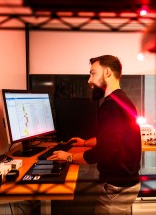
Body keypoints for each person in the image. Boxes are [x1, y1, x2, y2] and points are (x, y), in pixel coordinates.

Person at [47, 55, 142, 215]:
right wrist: (85, 143)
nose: (89, 80)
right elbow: (112, 138)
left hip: (116, 188)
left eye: (93, 73)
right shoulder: (120, 100)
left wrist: (67, 156)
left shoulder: (113, 106)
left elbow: (104, 152)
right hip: (124, 185)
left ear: (107, 72)